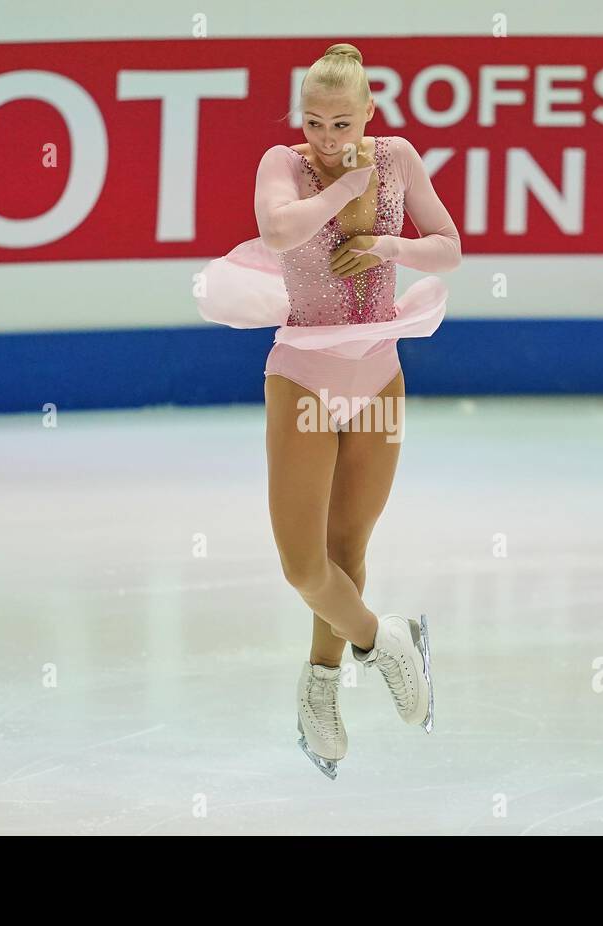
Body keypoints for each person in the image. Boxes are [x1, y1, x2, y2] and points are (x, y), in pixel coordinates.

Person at [195, 42, 462, 779]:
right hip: (305, 376)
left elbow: (449, 249)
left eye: (342, 122)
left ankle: (320, 692)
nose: (328, 137)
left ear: (370, 112)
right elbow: (278, 231)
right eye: (314, 121)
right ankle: (387, 641)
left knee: (347, 553)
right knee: (302, 565)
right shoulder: (283, 165)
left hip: (378, 373)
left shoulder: (400, 158)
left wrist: (383, 244)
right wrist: (341, 194)